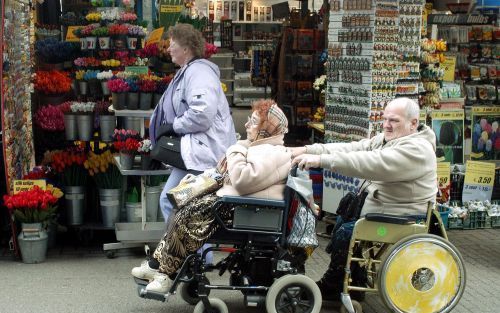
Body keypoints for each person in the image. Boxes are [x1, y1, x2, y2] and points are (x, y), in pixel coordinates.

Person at [133, 99, 292, 293]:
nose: (247, 123)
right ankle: (158, 264)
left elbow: (243, 179)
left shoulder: (272, 153)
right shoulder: (257, 146)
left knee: (186, 216)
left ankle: (166, 274)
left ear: (266, 129)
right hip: (236, 204)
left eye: (253, 121)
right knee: (182, 207)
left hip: (242, 208)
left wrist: (236, 149)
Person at [291, 97, 437, 300]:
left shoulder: (417, 150)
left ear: (413, 123)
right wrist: (308, 150)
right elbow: (354, 149)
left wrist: (321, 161)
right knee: (346, 211)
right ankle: (352, 278)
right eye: (385, 119)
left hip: (402, 215)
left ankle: (335, 284)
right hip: (383, 207)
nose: (386, 125)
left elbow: (370, 162)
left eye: (393, 120)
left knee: (346, 231)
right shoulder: (389, 139)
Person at [149, 23, 236, 228]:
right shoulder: (191, 71)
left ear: (186, 48)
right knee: (189, 207)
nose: (168, 49)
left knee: (173, 202)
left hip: (204, 153)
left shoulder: (199, 73)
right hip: (198, 152)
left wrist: (173, 126)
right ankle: (192, 256)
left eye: (172, 45)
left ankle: (186, 255)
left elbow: (201, 114)